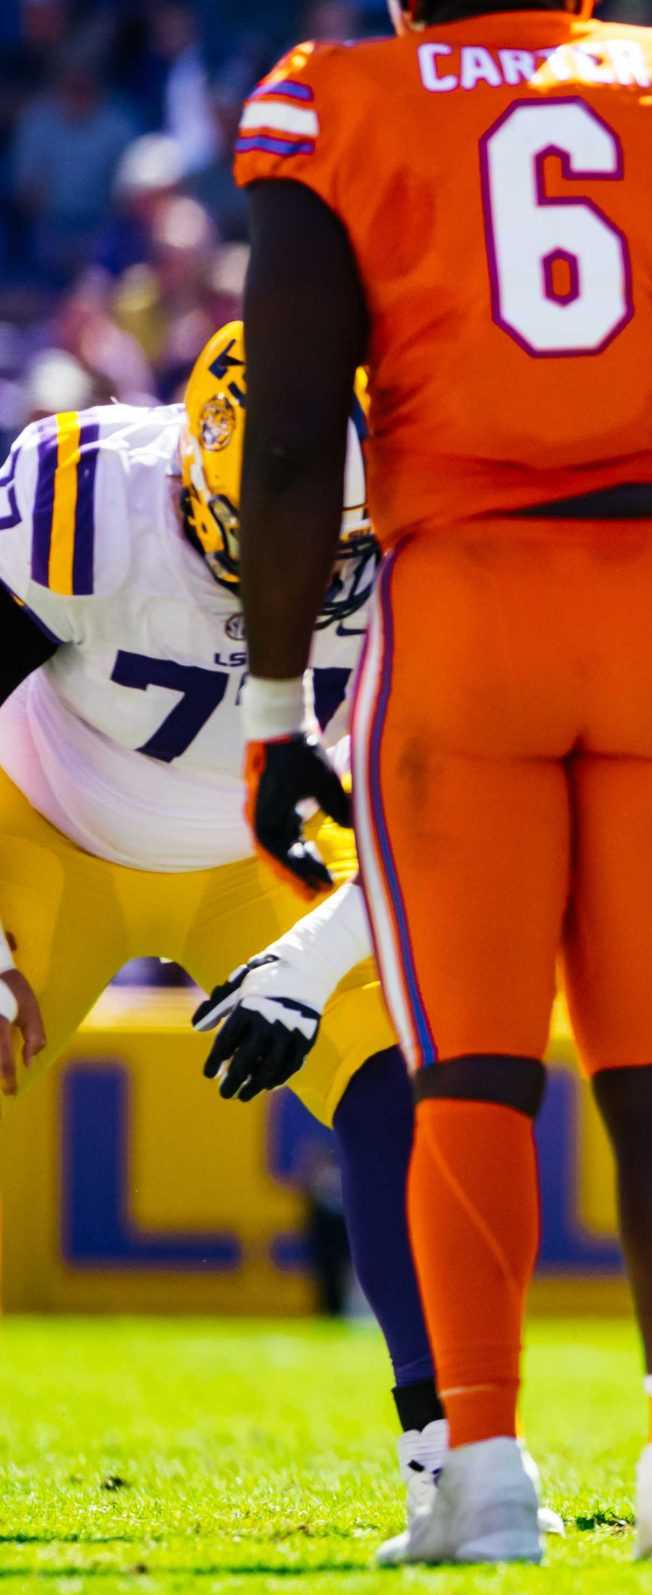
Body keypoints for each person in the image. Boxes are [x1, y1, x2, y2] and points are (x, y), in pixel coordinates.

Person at [231, 0, 652, 1564]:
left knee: (474, 1078)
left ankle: (489, 1478)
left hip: (462, 615)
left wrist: (282, 704)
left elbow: (287, 442)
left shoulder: (335, 100)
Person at [0, 326, 456, 1537]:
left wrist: (318, 962)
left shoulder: (433, 519)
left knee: (400, 1093)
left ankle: (448, 1449)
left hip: (270, 856)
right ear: (200, 491)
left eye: (343, 537)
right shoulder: (90, 500)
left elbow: (444, 792)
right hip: (43, 824)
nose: (313, 564)